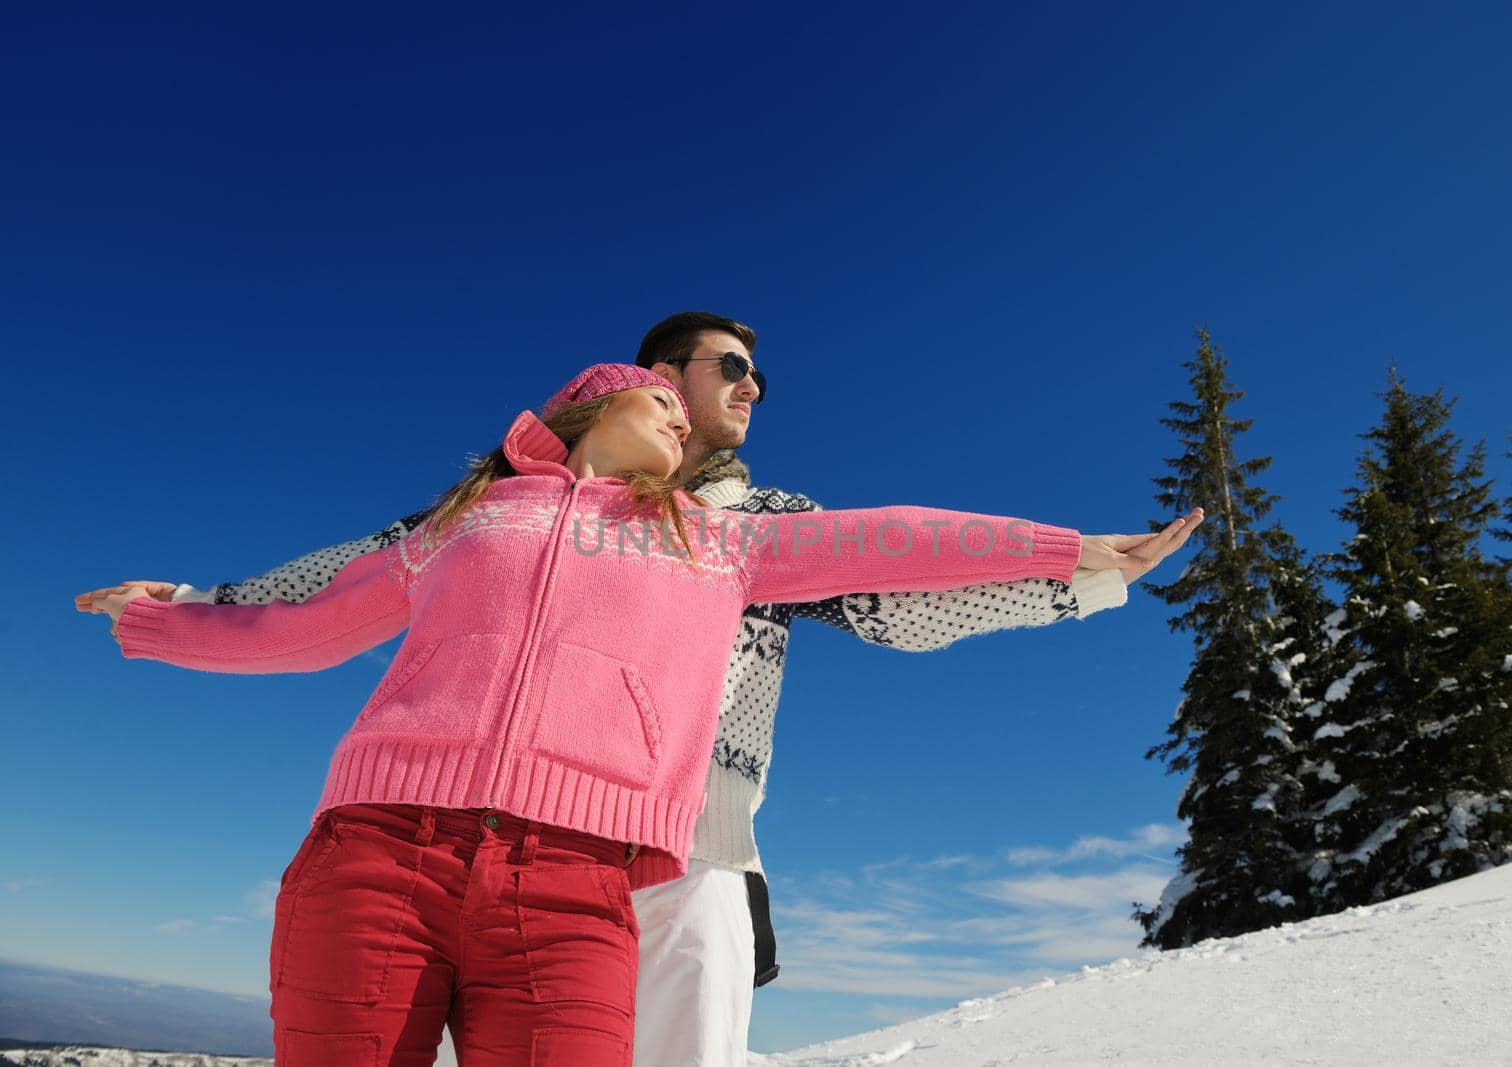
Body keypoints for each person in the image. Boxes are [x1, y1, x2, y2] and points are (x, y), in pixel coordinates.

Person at [80, 358, 1202, 1066]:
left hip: (577, 881)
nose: (690, 418)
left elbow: (899, 535)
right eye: (666, 395)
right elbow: (312, 621)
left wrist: (1073, 555)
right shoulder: (466, 521)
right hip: (377, 855)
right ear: (585, 404)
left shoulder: (728, 540)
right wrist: (168, 615)